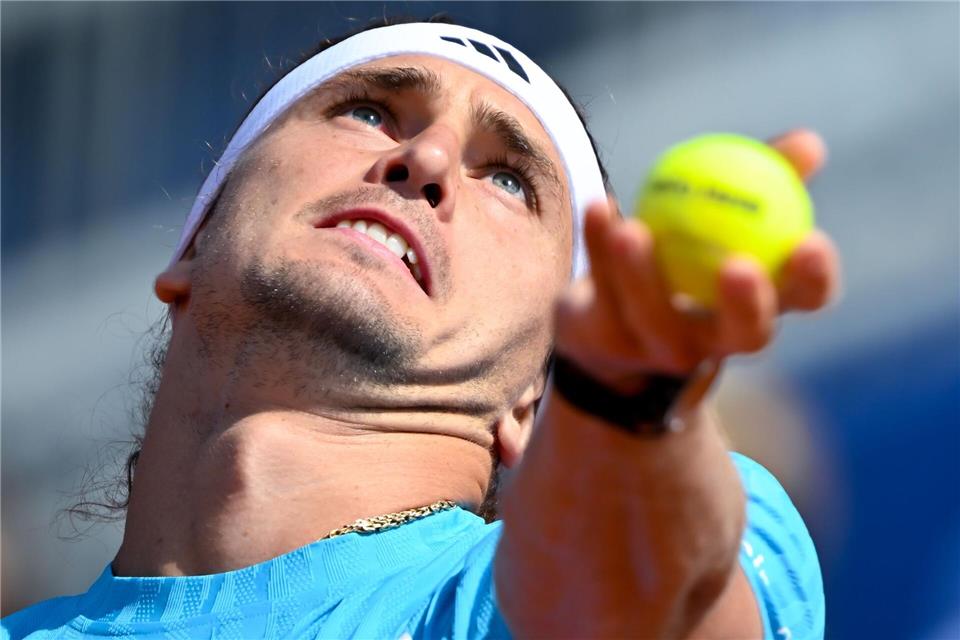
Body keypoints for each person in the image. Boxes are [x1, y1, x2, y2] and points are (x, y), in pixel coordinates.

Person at [3, 17, 838, 640]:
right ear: (191, 243)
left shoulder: (500, 609)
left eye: (509, 180)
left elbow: (642, 599)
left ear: (529, 400)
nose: (428, 160)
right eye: (369, 112)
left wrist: (630, 402)